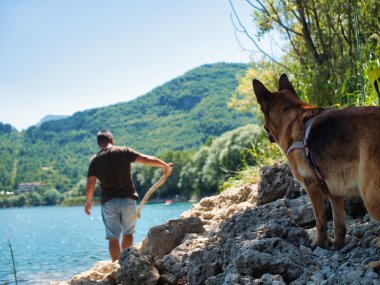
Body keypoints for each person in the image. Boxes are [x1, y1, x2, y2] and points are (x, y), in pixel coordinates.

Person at [85, 130, 173, 261]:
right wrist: (163, 164)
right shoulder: (123, 151)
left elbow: (90, 184)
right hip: (127, 199)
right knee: (128, 233)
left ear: (99, 144)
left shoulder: (95, 160)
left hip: (108, 202)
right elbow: (145, 159)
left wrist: (88, 202)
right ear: (112, 140)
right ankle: (126, 263)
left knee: (113, 237)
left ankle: (116, 265)